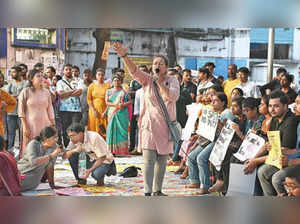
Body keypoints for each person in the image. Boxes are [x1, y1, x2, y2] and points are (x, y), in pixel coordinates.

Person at [113, 42, 180, 196]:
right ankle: (147, 192)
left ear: (166, 66)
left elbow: (173, 96)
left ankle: (158, 190)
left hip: (166, 128)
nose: (157, 65)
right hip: (149, 127)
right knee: (148, 161)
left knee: (162, 162)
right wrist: (124, 56)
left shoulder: (173, 80)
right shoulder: (147, 80)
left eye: (161, 63)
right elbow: (134, 71)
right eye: (155, 63)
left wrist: (161, 84)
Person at [257, 90, 298, 196]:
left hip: (289, 159)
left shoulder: (291, 121)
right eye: (270, 106)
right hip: (279, 158)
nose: (272, 109)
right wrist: (267, 147)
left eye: (276, 106)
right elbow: (271, 144)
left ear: (285, 106)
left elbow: (286, 149)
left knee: (276, 178)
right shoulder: (274, 120)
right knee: (262, 172)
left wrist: (256, 160)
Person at [18, 69, 55, 157]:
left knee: (44, 148)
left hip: (45, 124)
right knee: (30, 150)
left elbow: (50, 109)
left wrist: (53, 125)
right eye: (38, 76)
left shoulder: (46, 92)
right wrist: (25, 126)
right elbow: (21, 111)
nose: (41, 78)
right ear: (31, 79)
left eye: (42, 76)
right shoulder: (25, 92)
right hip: (30, 125)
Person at [17, 126, 62, 191]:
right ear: (46, 139)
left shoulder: (54, 147)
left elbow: (50, 167)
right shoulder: (33, 144)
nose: (56, 139)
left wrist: (52, 185)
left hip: (33, 182)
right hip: (21, 174)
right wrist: (51, 156)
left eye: (57, 137)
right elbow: (34, 162)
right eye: (54, 138)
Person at [56, 64, 82, 148]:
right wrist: (73, 91)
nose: (68, 71)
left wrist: (66, 93)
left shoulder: (79, 80)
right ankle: (67, 147)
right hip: (64, 109)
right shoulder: (59, 82)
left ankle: (76, 147)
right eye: (66, 69)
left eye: (70, 69)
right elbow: (61, 94)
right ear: (63, 71)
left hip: (76, 109)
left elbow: (79, 92)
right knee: (65, 129)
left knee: (75, 129)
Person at [105, 75, 131, 156]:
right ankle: (111, 151)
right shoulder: (108, 91)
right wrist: (115, 105)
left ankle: (122, 151)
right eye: (115, 80)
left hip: (122, 113)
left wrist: (123, 105)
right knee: (111, 130)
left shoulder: (124, 92)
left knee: (122, 131)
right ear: (112, 82)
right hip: (112, 112)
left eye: (118, 80)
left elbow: (130, 102)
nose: (116, 82)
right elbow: (107, 102)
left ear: (120, 82)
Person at [5, 66, 27, 150]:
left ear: (20, 73)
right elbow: (6, 96)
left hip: (22, 113)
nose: (12, 74)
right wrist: (15, 97)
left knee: (22, 133)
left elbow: (24, 96)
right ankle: (10, 151)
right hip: (11, 112)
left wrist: (13, 97)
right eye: (11, 72)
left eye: (14, 72)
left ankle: (22, 151)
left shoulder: (26, 83)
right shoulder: (10, 83)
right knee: (11, 133)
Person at [87, 68, 111, 138]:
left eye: (102, 75)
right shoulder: (92, 86)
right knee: (93, 128)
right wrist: (94, 110)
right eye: (99, 74)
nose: (100, 76)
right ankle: (94, 147)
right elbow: (89, 99)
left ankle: (104, 146)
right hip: (93, 111)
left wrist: (105, 112)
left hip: (104, 110)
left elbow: (110, 100)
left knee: (104, 129)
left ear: (104, 76)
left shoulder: (108, 86)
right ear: (96, 76)